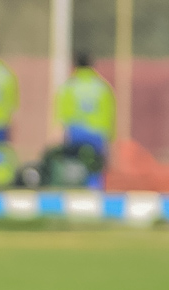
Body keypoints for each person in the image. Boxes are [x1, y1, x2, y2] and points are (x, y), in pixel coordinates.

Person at [55, 53, 116, 188]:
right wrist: (110, 139)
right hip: (97, 132)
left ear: (75, 66)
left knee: (74, 165)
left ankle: (75, 189)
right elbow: (109, 114)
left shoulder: (69, 86)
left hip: (75, 132)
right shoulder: (102, 87)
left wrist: (62, 133)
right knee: (95, 165)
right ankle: (95, 189)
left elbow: (63, 114)